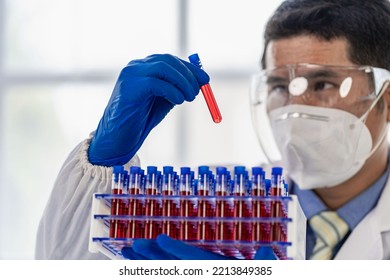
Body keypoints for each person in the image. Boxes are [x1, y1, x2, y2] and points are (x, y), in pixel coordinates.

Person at [35, 0, 390, 260]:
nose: (296, 108)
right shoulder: (216, 209)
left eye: (324, 83)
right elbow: (64, 263)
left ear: (386, 101)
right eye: (280, 86)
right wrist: (103, 163)